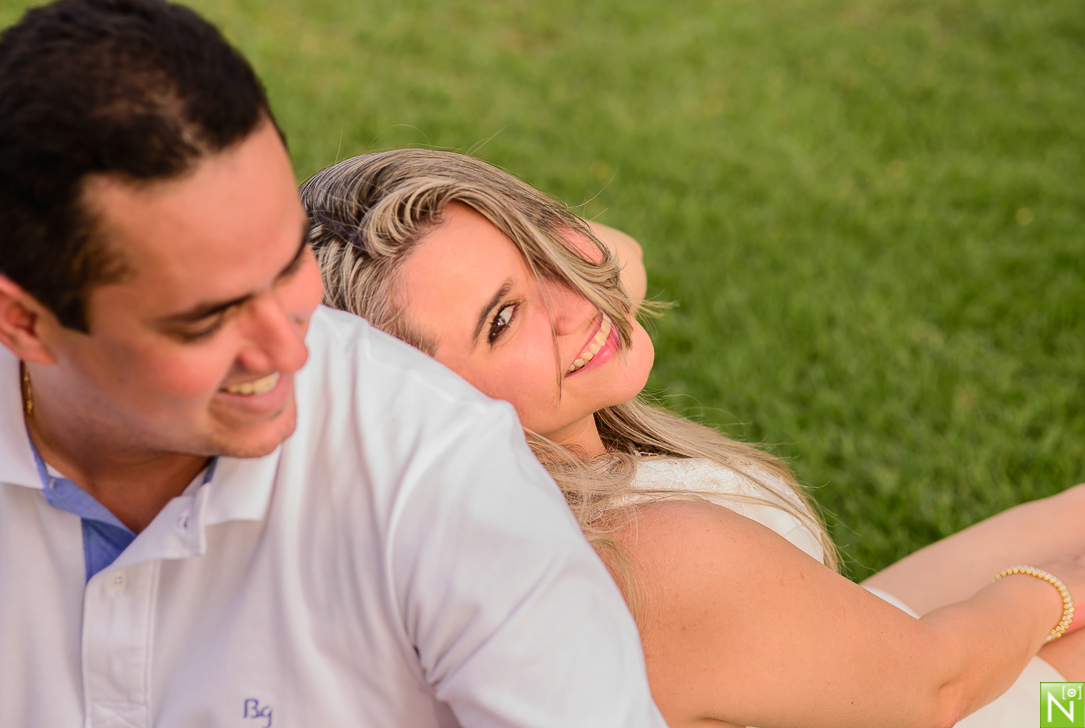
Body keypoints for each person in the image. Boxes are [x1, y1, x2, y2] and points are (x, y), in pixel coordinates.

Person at [0, 0, 671, 728]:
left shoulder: (442, 466)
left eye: (289, 261)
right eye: (207, 318)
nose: (292, 347)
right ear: (23, 323)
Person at [300, 146, 1085, 728]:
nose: (577, 301)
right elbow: (939, 688)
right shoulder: (646, 560)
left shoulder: (516, 498)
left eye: (539, 246)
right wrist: (1051, 589)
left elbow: (618, 261)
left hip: (839, 654)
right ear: (422, 412)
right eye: (504, 319)